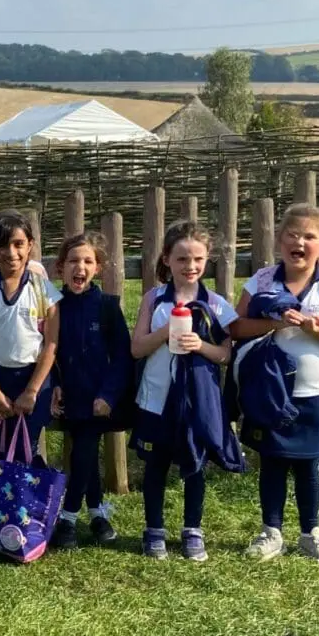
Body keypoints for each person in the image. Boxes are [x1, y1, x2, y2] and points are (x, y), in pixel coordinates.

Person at [233, 204, 319, 566]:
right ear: (280, 241)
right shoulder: (262, 281)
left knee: (310, 466)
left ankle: (311, 534)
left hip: (316, 394)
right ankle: (271, 533)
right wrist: (274, 323)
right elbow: (236, 327)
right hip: (269, 392)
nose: (300, 242)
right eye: (292, 234)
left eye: (310, 236)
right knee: (272, 462)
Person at [129, 220, 242, 562]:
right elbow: (136, 348)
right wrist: (165, 332)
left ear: (207, 260)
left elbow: (226, 354)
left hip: (197, 402)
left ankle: (193, 529)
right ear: (166, 259)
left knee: (195, 465)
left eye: (197, 259)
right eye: (181, 259)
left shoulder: (216, 304)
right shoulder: (154, 299)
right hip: (156, 398)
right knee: (156, 465)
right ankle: (154, 530)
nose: (190, 266)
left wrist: (200, 346)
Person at [48, 232, 130, 549]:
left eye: (87, 261)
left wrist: (108, 395)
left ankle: (68, 518)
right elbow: (47, 351)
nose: (79, 267)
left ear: (98, 268)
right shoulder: (53, 306)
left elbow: (122, 356)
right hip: (70, 397)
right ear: (61, 267)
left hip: (98, 400)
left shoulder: (107, 307)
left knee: (83, 450)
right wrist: (55, 385)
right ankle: (97, 514)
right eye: (72, 261)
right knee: (85, 454)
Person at [0, 210, 61, 461]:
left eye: (18, 244)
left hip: (34, 378)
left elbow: (51, 344)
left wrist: (31, 391)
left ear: (30, 245)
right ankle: (0, 490)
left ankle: (28, 488)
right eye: (3, 245)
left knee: (26, 447)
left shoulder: (44, 291)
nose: (11, 252)